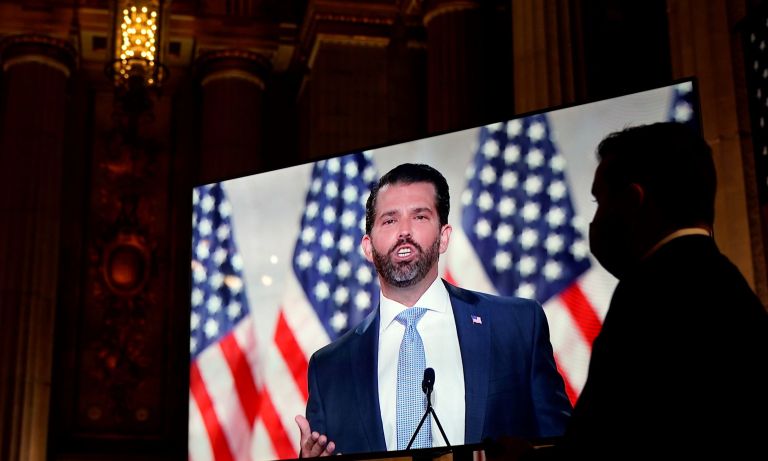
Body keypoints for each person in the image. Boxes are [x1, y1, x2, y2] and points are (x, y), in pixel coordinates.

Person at [294, 163, 573, 457]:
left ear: (443, 237)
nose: (404, 231)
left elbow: (561, 444)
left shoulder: (516, 326)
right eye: (389, 221)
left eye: (420, 216)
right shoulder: (330, 368)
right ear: (367, 246)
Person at [551, 122, 768, 459]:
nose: (595, 221)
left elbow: (600, 441)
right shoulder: (731, 285)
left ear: (633, 201)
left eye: (600, 200)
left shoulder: (647, 294)